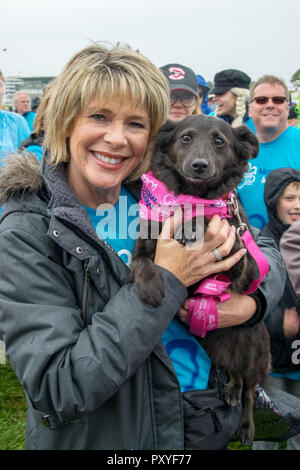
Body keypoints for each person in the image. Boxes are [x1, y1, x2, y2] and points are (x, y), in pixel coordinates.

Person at [0, 43, 285, 450]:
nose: (116, 138)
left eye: (135, 124)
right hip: (117, 436)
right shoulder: (31, 227)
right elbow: (58, 386)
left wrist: (251, 304)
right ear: (66, 121)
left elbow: (265, 253)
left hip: (201, 420)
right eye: (99, 117)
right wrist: (169, 276)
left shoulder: (165, 193)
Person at [252, 167, 300, 450]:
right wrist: (277, 321)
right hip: (272, 365)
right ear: (273, 202)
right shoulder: (264, 244)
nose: (297, 206)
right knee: (266, 436)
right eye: (289, 198)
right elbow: (251, 302)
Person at [237, 75, 300, 230]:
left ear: (288, 106)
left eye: (278, 100)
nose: (270, 105)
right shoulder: (237, 150)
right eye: (261, 100)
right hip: (249, 247)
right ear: (250, 109)